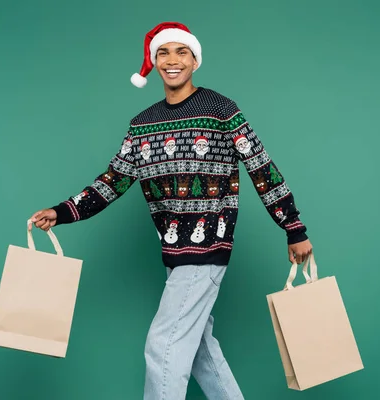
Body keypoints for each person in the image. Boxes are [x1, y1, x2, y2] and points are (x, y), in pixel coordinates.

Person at [30, 21, 313, 400]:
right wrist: (61, 212)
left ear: (195, 60)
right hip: (172, 252)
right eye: (163, 52)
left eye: (182, 52)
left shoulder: (220, 110)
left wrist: (292, 226)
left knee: (163, 346)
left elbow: (261, 167)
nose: (172, 60)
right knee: (200, 353)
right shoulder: (142, 124)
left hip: (209, 245)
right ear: (153, 61)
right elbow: (114, 180)